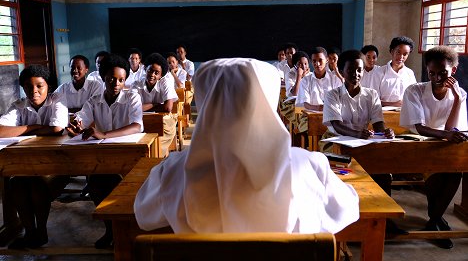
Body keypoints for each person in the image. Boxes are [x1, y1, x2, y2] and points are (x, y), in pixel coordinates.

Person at [134, 58, 359, 234]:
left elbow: (143, 215)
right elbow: (347, 207)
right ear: (268, 99)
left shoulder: (173, 171)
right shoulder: (308, 166)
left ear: (205, 101)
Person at [67, 54, 143, 248]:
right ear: (103, 78)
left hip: (129, 154)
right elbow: (81, 117)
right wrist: (76, 124)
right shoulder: (94, 100)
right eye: (111, 79)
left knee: (116, 183)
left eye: (121, 80)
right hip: (104, 157)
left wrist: (104, 134)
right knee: (95, 183)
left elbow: (136, 126)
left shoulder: (132, 96)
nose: (116, 83)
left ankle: (125, 230)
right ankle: (110, 230)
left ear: (125, 80)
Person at [400, 46, 468, 249]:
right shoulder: (415, 90)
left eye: (443, 73)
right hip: (417, 144)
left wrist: (456, 99)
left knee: (455, 171)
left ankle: (434, 219)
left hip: (443, 145)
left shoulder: (460, 93)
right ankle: (435, 220)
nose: (437, 77)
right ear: (426, 70)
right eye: (432, 73)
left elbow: (452, 128)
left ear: (453, 71)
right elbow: (419, 127)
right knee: (438, 170)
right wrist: (447, 135)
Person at [0, 65, 69, 249]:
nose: (34, 91)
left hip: (56, 164)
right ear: (23, 88)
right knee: (16, 183)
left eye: (40, 86)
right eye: (28, 87)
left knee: (37, 184)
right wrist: (33, 128)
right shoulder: (19, 105)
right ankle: (30, 232)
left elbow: (56, 128)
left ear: (49, 87)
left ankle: (41, 230)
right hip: (27, 164)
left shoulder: (57, 100)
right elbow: (0, 130)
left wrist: (21, 130)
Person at [321, 50, 394, 147]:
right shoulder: (332, 95)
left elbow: (378, 123)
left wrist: (385, 132)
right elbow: (337, 125)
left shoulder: (372, 95)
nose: (356, 74)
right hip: (336, 140)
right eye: (350, 70)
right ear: (342, 72)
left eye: (359, 70)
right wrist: (356, 134)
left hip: (361, 140)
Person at [132, 53, 177, 157]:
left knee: (157, 142)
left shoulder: (165, 82)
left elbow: (167, 108)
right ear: (145, 70)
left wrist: (143, 107)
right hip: (142, 119)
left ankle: (153, 157)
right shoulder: (136, 84)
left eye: (156, 73)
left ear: (161, 75)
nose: (152, 74)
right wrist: (156, 104)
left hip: (163, 121)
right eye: (150, 70)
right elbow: (133, 108)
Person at [370, 36, 417, 107]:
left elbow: (414, 97)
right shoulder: (378, 72)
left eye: (405, 54)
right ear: (392, 51)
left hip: (405, 114)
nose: (401, 57)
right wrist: (394, 104)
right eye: (398, 52)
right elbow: (372, 100)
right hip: (383, 114)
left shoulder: (409, 73)